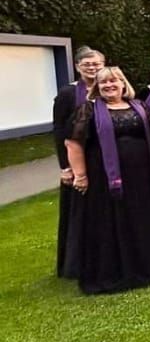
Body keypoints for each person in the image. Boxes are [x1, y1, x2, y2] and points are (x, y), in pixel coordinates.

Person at [65, 67, 150, 294]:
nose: (109, 85)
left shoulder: (140, 106)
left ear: (122, 83)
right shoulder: (88, 110)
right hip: (105, 177)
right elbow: (73, 143)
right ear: (97, 87)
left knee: (139, 218)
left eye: (114, 81)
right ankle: (114, 271)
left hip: (141, 176)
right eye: (104, 83)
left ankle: (143, 267)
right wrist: (80, 175)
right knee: (110, 220)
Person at [52, 46, 104, 278]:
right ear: (77, 67)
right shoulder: (68, 94)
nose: (92, 68)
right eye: (87, 64)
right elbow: (59, 131)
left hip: (102, 160)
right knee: (79, 212)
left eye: (96, 64)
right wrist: (66, 167)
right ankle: (77, 262)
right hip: (77, 161)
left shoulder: (109, 87)